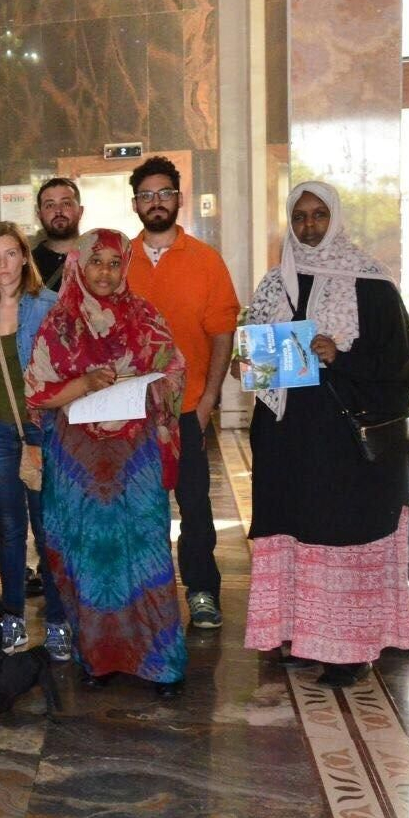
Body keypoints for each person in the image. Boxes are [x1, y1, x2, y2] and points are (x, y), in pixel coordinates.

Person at [242, 182, 409, 688]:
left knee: (340, 536)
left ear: (335, 218)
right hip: (287, 442)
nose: (309, 226)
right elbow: (259, 356)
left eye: (319, 215)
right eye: (299, 217)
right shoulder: (275, 283)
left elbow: (405, 364)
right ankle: (302, 637)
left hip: (346, 448)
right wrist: (251, 361)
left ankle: (348, 650)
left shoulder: (371, 283)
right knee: (297, 533)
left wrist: (339, 356)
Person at [24, 229, 187, 698]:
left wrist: (146, 385)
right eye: (96, 263)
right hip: (78, 461)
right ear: (78, 265)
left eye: (115, 263)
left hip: (135, 460)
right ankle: (98, 659)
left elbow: (174, 373)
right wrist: (87, 384)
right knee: (90, 555)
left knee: (147, 553)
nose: (106, 273)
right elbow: (37, 390)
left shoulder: (146, 318)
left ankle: (160, 664)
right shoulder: (59, 324)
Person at [124, 155, 238, 629]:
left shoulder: (206, 261)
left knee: (194, 503)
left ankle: (203, 591)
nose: (156, 202)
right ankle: (145, 591)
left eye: (164, 193)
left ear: (178, 199)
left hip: (188, 405)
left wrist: (210, 397)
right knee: (140, 505)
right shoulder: (118, 260)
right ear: (135, 204)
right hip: (132, 409)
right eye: (147, 195)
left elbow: (222, 333)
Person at [0, 222, 67, 659]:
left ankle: (60, 620)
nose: (3, 264)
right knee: (9, 529)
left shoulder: (47, 304)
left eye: (11, 254)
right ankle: (12, 619)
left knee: (47, 529)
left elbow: (65, 364)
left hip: (40, 428)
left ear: (25, 257)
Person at [32, 178, 83, 291]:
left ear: (80, 211)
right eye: (50, 205)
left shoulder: (99, 257)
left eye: (66, 203)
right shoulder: (28, 265)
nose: (58, 211)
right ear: (39, 214)